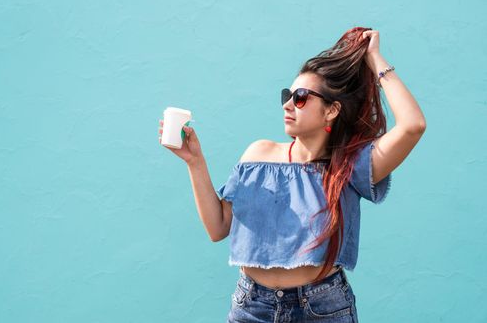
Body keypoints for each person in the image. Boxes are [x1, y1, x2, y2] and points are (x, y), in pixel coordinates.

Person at [158, 27, 426, 322]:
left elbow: (413, 125)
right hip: (251, 307)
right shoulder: (258, 154)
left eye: (300, 97)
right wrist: (195, 162)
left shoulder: (350, 166)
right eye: (287, 95)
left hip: (322, 309)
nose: (287, 104)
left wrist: (375, 59)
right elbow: (218, 228)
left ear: (331, 111)